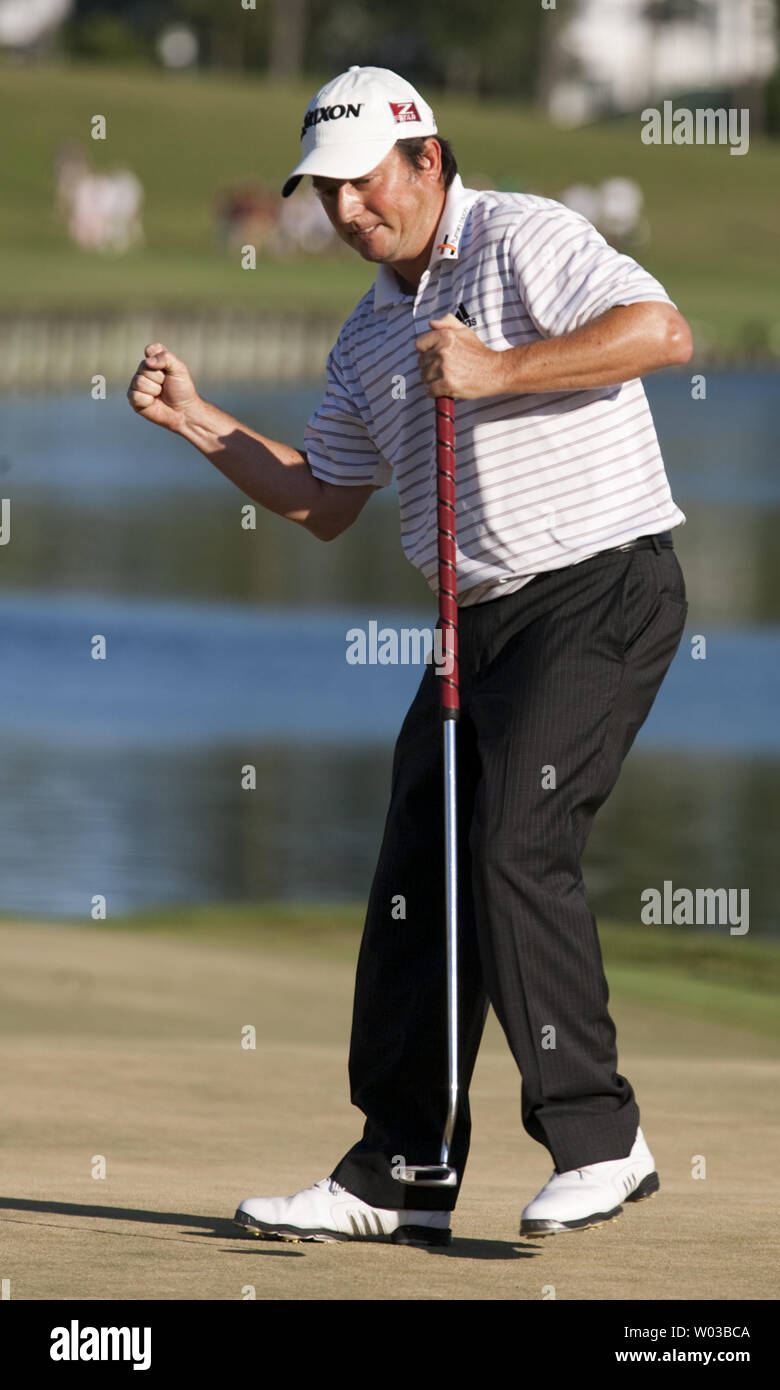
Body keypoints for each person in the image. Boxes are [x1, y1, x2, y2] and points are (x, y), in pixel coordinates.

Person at [127, 65, 692, 1247]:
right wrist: (195, 418)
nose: (343, 210)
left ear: (425, 159)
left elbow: (659, 330)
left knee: (511, 840)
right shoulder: (367, 331)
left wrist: (498, 367)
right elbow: (322, 497)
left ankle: (601, 1137)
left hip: (601, 587)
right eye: (323, 193)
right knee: (415, 881)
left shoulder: (523, 236)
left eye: (359, 183)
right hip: (473, 622)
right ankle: (402, 1168)